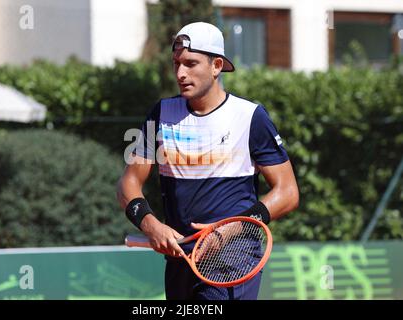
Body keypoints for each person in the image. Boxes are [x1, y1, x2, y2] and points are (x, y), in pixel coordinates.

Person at [117, 21, 299, 300]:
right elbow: (128, 183)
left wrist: (231, 229)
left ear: (216, 66)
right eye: (177, 63)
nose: (180, 73)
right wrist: (150, 224)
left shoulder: (251, 117)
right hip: (180, 262)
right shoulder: (160, 113)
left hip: (233, 260)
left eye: (191, 63)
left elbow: (287, 192)